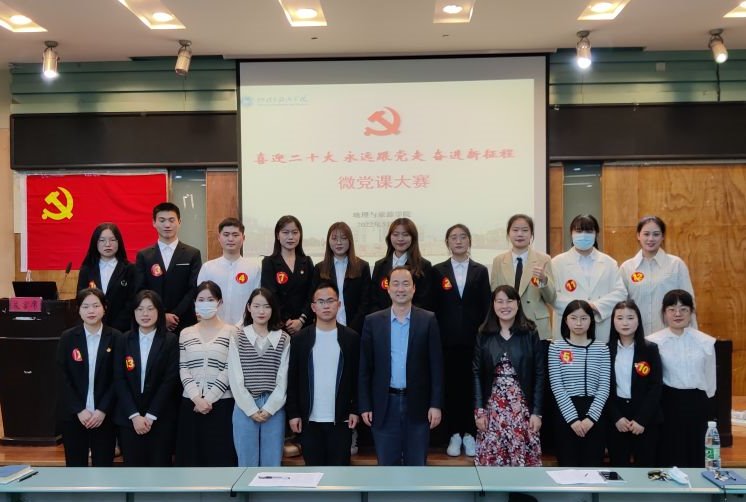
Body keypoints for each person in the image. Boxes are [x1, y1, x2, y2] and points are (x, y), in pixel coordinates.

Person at [359, 266, 444, 466]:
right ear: (388, 288)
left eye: (406, 284)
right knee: (387, 467)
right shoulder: (373, 321)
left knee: (417, 465)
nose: (400, 289)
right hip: (384, 405)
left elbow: (437, 367)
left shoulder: (428, 320)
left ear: (413, 288)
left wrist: (436, 404)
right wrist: (365, 405)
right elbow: (365, 369)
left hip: (418, 406)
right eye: (395, 284)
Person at [431, 224, 491, 457]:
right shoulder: (438, 271)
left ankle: (470, 434)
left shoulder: (480, 270)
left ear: (469, 241)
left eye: (463, 237)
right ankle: (454, 434)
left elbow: (486, 306)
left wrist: (483, 336)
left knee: (471, 388)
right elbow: (434, 308)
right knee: (451, 388)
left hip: (473, 341)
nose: (458, 241)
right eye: (453, 237)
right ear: (447, 243)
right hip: (446, 342)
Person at [286, 282, 360, 466]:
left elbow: (358, 378)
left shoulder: (351, 338)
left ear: (339, 304)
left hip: (341, 419)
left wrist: (355, 410)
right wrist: (293, 413)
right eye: (321, 301)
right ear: (313, 307)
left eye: (330, 301)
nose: (326, 306)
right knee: (313, 473)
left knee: (340, 473)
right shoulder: (300, 339)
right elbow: (292, 379)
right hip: (309, 420)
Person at [473, 285, 544, 466]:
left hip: (521, 408)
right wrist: (479, 411)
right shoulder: (484, 333)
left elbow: (539, 374)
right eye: (500, 301)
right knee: (492, 462)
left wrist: (537, 412)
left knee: (521, 463)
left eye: (509, 301)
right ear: (493, 305)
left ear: (518, 304)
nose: (505, 306)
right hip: (493, 408)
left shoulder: (530, 332)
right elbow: (476, 373)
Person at [648, 289, 716, 468]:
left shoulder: (706, 342)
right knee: (669, 453)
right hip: (667, 403)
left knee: (696, 453)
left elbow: (710, 381)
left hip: (697, 403)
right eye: (672, 309)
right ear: (664, 313)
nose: (677, 314)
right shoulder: (652, 342)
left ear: (691, 312)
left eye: (683, 309)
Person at [113, 290, 179, 467]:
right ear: (134, 312)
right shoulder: (123, 340)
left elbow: (169, 381)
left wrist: (150, 416)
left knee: (160, 469)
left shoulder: (170, 341)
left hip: (160, 418)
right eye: (140, 309)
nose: (145, 314)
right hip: (129, 419)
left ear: (159, 312)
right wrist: (135, 416)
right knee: (133, 471)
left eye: (150, 309)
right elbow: (119, 379)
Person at [176, 281, 237, 467]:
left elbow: (230, 368)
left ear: (220, 302)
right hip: (191, 404)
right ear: (195, 303)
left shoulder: (233, 332)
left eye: (210, 299)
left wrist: (208, 399)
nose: (205, 303)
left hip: (221, 404)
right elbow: (184, 368)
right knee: (191, 461)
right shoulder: (185, 333)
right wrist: (197, 398)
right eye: (201, 299)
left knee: (220, 460)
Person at [56, 288, 118, 467]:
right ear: (79, 310)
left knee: (103, 466)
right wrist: (79, 409)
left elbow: (118, 378)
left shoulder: (116, 337)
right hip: (74, 415)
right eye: (85, 306)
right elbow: (61, 376)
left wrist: (102, 410)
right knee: (75, 466)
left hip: (104, 415)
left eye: (96, 306)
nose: (91, 311)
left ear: (104, 308)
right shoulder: (68, 337)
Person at [228, 287, 290, 467]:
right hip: (244, 406)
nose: (261, 311)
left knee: (272, 464)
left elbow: (283, 378)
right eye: (256, 306)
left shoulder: (283, 338)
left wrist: (270, 408)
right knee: (246, 464)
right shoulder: (238, 336)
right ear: (249, 308)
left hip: (274, 407)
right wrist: (250, 409)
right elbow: (235, 376)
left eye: (267, 306)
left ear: (273, 309)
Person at [548, 300, 610, 467]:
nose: (578, 323)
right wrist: (573, 420)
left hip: (594, 414)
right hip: (566, 413)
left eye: (584, 318)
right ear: (566, 321)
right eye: (573, 318)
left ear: (591, 321)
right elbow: (557, 386)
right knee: (567, 468)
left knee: (593, 469)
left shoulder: (602, 349)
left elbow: (604, 387)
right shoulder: (556, 347)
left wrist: (591, 418)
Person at [551, 214, 626, 342]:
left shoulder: (609, 262)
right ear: (571, 233)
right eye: (579, 231)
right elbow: (552, 295)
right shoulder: (557, 263)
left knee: (599, 354)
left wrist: (594, 306)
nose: (583, 235)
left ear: (596, 234)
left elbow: (620, 293)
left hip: (600, 327)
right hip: (567, 329)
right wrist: (579, 309)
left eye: (589, 231)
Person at [606, 300, 662, 467]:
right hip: (617, 418)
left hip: (645, 417)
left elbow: (655, 386)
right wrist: (616, 417)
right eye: (620, 318)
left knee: (646, 468)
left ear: (638, 321)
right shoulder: (605, 350)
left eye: (630, 318)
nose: (625, 323)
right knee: (618, 468)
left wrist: (641, 419)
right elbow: (603, 387)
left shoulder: (650, 349)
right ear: (613, 321)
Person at [621, 216, 697, 334]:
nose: (651, 239)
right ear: (638, 236)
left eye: (656, 234)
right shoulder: (627, 267)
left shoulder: (676, 264)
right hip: (637, 335)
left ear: (663, 237)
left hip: (670, 334)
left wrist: (693, 334)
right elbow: (621, 306)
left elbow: (689, 303)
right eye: (646, 234)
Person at [134, 202, 202, 334]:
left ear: (179, 222)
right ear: (154, 223)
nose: (167, 225)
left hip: (185, 322)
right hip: (153, 322)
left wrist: (175, 314)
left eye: (171, 220)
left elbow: (193, 288)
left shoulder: (192, 254)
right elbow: (141, 289)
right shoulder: (144, 255)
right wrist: (161, 315)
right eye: (162, 220)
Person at [490, 214, 556, 340]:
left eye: (525, 230)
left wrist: (543, 280)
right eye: (515, 230)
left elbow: (551, 298)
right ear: (508, 233)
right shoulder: (498, 261)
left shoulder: (544, 259)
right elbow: (494, 294)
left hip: (536, 325)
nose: (520, 234)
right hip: (506, 324)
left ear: (531, 234)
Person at [197, 217, 261, 326]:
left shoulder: (254, 268)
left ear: (243, 238)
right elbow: (201, 300)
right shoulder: (208, 268)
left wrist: (241, 325)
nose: (230, 239)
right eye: (226, 235)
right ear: (219, 238)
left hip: (245, 328)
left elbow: (257, 301)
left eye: (235, 235)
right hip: (213, 328)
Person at [311, 221, 371, 334]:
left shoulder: (362, 266)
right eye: (334, 238)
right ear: (328, 241)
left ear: (350, 241)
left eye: (343, 238)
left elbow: (365, 302)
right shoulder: (320, 268)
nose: (339, 242)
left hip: (356, 328)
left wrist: (352, 329)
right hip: (326, 328)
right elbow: (315, 299)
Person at [76, 223, 136, 332]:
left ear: (119, 242)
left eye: (112, 240)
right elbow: (81, 298)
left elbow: (132, 301)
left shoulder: (129, 269)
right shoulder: (87, 269)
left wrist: (117, 327)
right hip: (93, 328)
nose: (107, 244)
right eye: (102, 240)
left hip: (122, 329)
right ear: (95, 242)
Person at [260, 215, 314, 335]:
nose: (290, 237)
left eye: (295, 232)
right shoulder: (269, 262)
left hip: (305, 324)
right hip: (279, 325)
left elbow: (312, 294)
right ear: (277, 235)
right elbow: (271, 295)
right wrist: (286, 320)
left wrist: (301, 320)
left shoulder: (307, 262)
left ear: (300, 235)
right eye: (285, 232)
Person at [369, 218, 433, 312]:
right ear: (389, 237)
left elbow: (425, 301)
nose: (400, 239)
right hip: (383, 319)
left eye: (405, 235)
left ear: (413, 238)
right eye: (395, 234)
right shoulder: (380, 265)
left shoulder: (424, 266)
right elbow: (373, 299)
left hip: (414, 319)